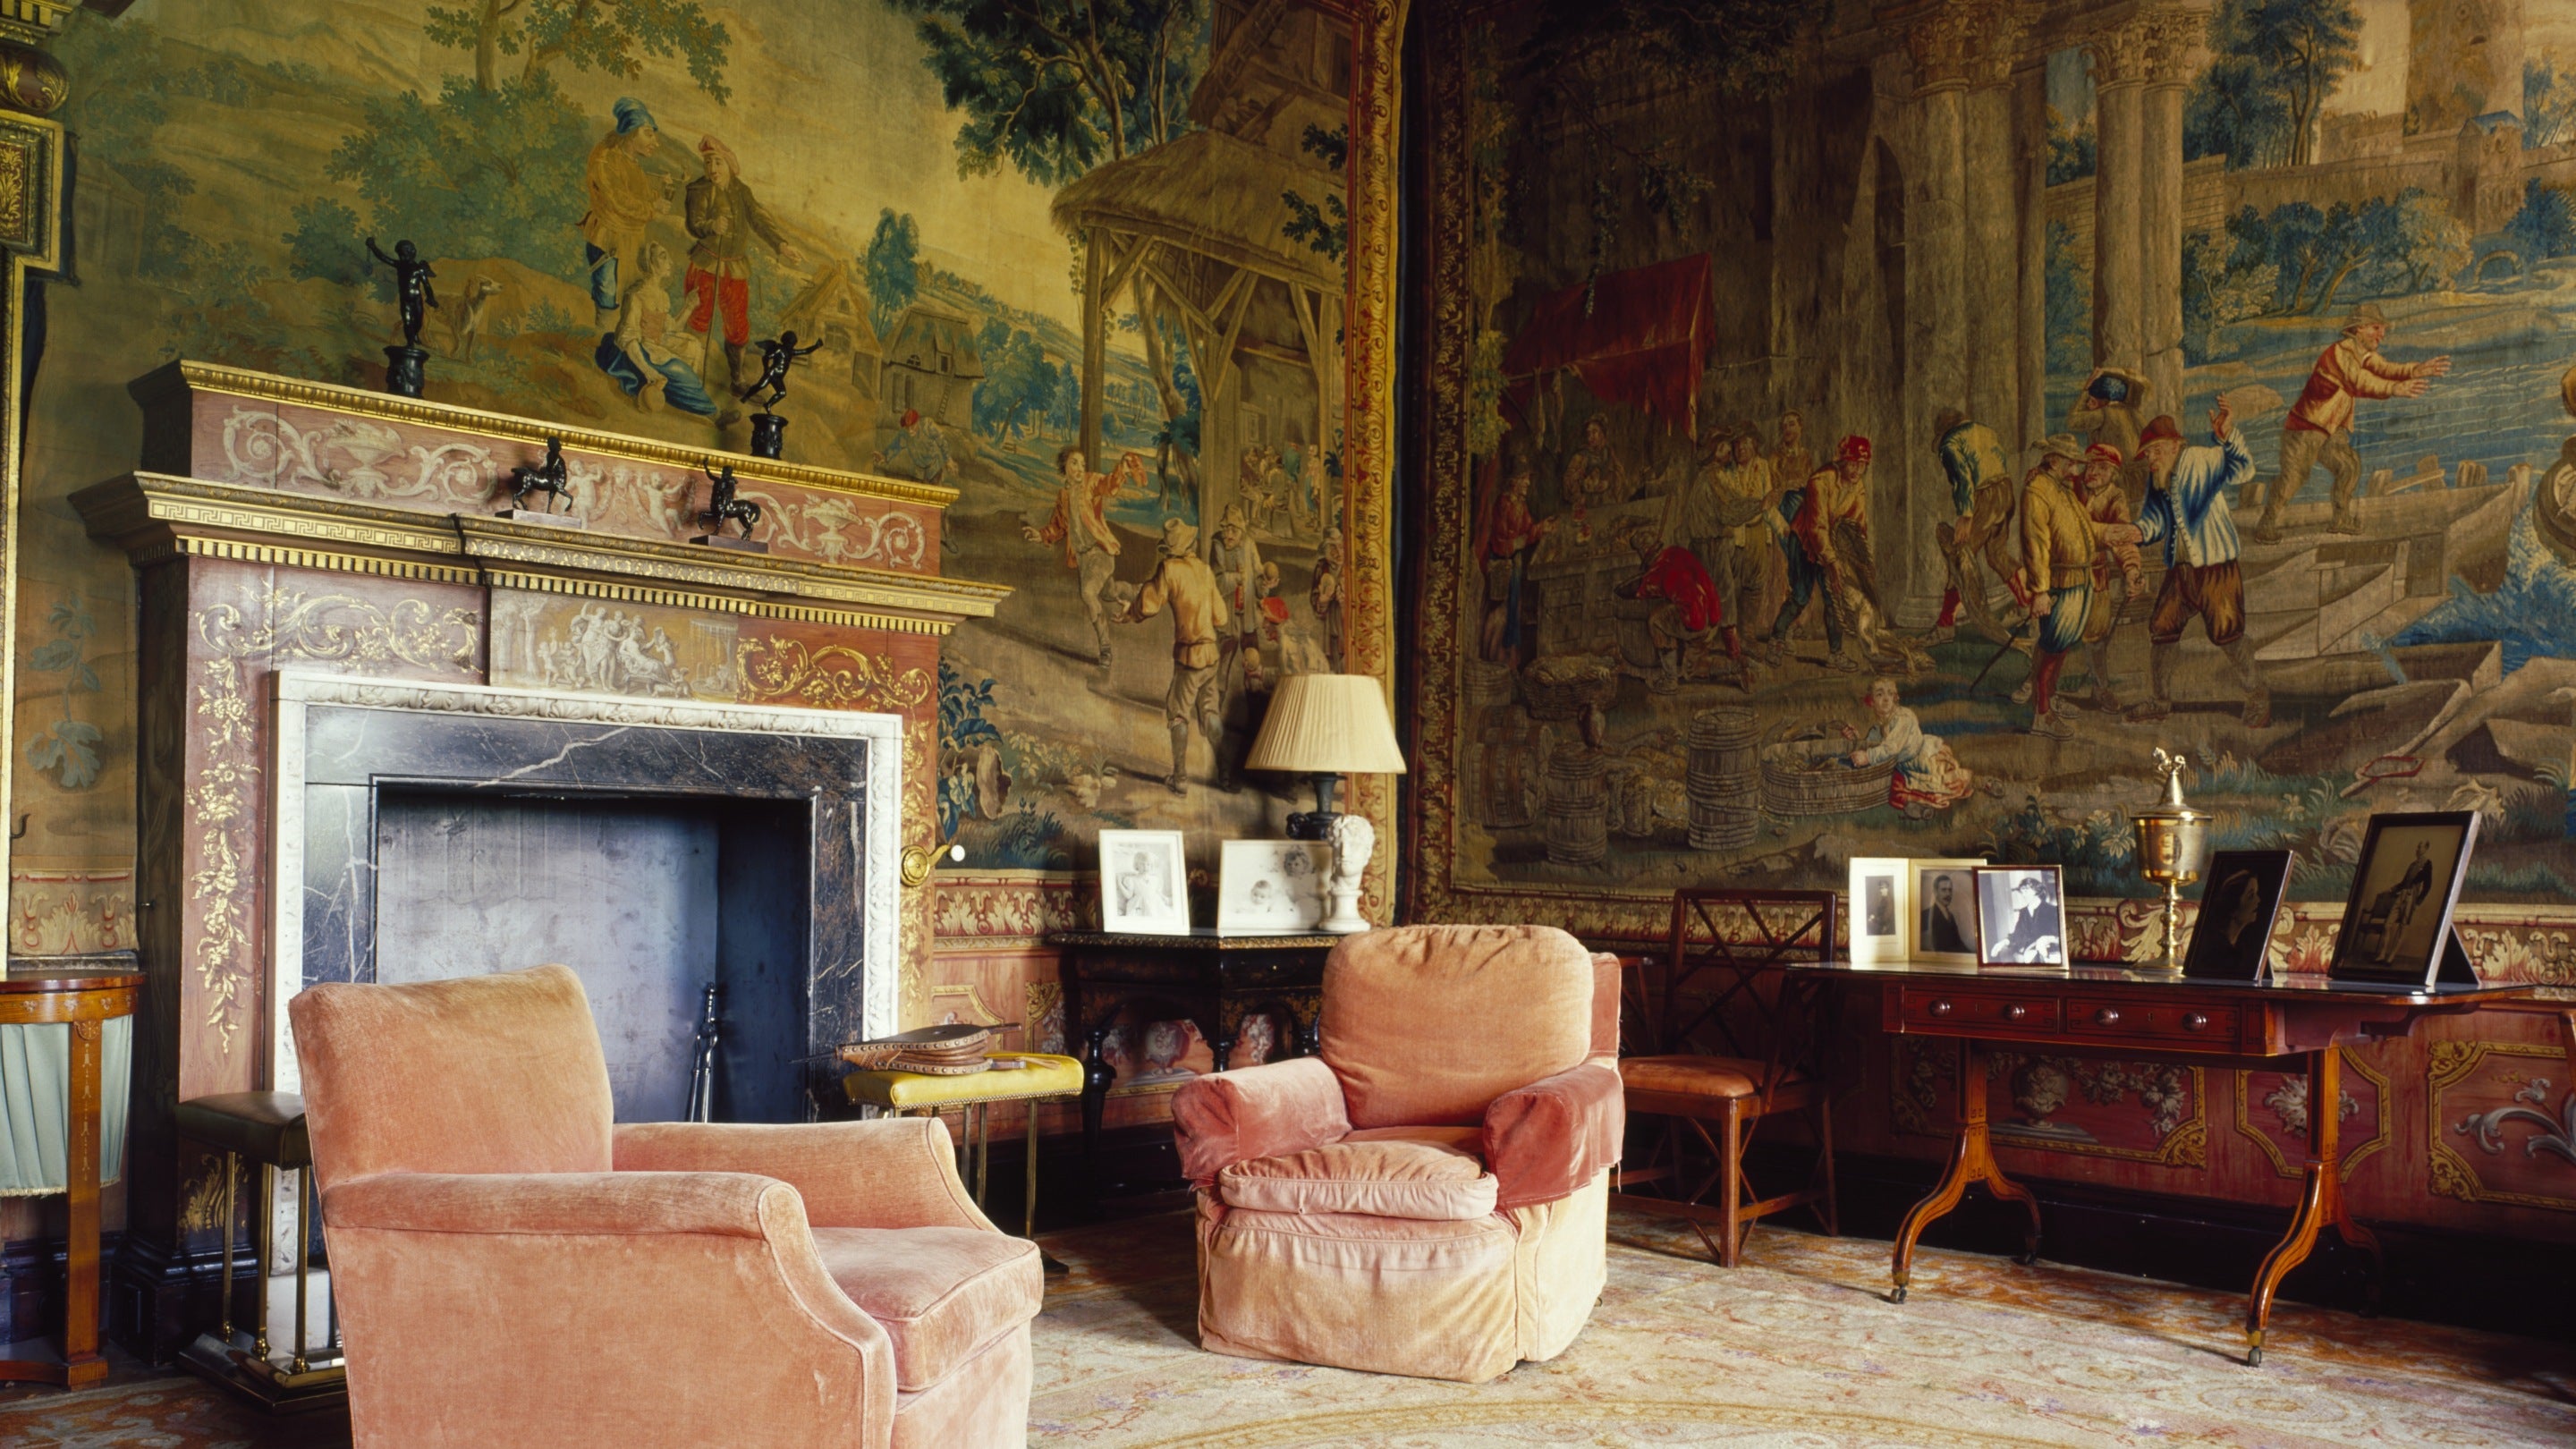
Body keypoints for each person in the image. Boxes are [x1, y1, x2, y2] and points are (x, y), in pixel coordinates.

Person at [2109, 406, 2269, 726]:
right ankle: (2160, 701)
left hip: (2215, 568)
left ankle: (2257, 696)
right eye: (2146, 453)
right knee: (2162, 628)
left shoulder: (2200, 459)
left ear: (2175, 445)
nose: (2151, 459)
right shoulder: (2157, 480)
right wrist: (2136, 532)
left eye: (2155, 450)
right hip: (2181, 570)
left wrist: (2227, 437)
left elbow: (2243, 470)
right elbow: (2155, 521)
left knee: (2228, 634)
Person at [2258, 302, 2451, 541]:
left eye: (2383, 329)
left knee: (2349, 466)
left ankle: (2340, 520)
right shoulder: (2340, 353)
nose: (2382, 334)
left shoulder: (2362, 354)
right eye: (2376, 328)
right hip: (2305, 428)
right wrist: (2395, 388)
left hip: (2331, 429)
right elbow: (2360, 381)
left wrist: (2415, 371)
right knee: (2294, 477)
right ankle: (2266, 525)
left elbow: (2385, 368)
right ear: (2358, 329)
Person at [683, 134, 807, 392]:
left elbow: (759, 219)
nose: (712, 169)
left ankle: (737, 379)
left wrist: (782, 245)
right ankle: (689, 376)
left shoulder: (742, 192)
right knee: (698, 315)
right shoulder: (699, 190)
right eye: (708, 163)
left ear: (729, 164)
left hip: (735, 267)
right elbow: (694, 224)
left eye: (718, 162)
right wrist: (711, 226)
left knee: (738, 324)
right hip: (707, 263)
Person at [1118, 518, 1232, 793]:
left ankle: (1180, 778)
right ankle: (1226, 776)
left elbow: (1149, 603)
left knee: (1178, 714)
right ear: (1191, 544)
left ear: (1170, 549)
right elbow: (1222, 617)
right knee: (1210, 712)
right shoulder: (1205, 571)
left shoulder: (1169, 570)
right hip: (1211, 656)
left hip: (1189, 657)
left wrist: (1129, 612)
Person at [1767, 435, 1876, 672]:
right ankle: (1776, 639)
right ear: (1842, 462)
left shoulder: (1858, 488)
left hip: (1830, 547)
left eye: (1862, 464)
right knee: (1801, 595)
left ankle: (1835, 654)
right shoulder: (1820, 480)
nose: (1857, 469)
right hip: (1805, 539)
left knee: (1834, 598)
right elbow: (1817, 527)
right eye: (1852, 463)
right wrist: (1833, 563)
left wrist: (1853, 561)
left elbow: (1857, 527)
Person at [2019, 433, 2097, 740]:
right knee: (2052, 647)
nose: (2076, 468)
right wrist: (2039, 590)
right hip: (2060, 582)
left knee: (2061, 644)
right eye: (2070, 462)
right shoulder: (2038, 491)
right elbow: (2035, 542)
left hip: (2079, 579)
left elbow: (2082, 530)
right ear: (2054, 460)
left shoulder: (2062, 488)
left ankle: (2048, 699)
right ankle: (2042, 715)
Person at [1023, 446, 1127, 666]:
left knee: (1089, 594)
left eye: (1082, 463)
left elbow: (1108, 484)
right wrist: (1040, 535)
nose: (1080, 468)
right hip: (1082, 559)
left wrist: (1121, 471)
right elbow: (1057, 527)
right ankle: (1137, 593)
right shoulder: (1063, 496)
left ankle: (1105, 649)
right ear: (1065, 467)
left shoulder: (1091, 482)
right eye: (1074, 463)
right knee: (1110, 593)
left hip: (1100, 552)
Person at [596, 241, 719, 416]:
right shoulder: (636, 295)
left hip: (659, 346)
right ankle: (710, 412)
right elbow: (628, 338)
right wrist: (648, 371)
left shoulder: (662, 296)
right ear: (651, 264)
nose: (670, 262)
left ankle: (695, 396)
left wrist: (689, 307)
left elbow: (671, 328)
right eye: (663, 257)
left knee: (693, 347)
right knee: (682, 372)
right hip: (643, 350)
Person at [580, 98, 670, 327]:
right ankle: (604, 347)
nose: (655, 142)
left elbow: (638, 190)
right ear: (630, 132)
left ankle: (624, 348)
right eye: (649, 134)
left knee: (631, 297)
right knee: (609, 298)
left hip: (631, 242)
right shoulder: (605, 159)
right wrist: (652, 210)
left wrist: (656, 198)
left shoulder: (630, 160)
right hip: (609, 241)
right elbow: (619, 201)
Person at [1614, 521, 1733, 690]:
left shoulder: (1655, 572)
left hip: (1694, 623)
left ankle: (1669, 679)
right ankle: (1736, 667)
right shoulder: (1678, 552)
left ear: (1646, 557)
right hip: (1712, 618)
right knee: (1691, 670)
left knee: (1656, 620)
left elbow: (1640, 595)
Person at [2072, 442, 2146, 714]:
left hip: (2095, 576)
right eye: (2090, 465)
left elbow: (2123, 537)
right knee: (2053, 633)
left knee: (2096, 637)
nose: (2093, 472)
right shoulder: (2073, 487)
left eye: (2102, 468)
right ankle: (2039, 687)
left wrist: (2131, 570)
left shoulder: (2115, 498)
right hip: (2063, 574)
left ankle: (2100, 689)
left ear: (2113, 473)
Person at [1839, 676, 1974, 814]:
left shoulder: (1904, 717)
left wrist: (1867, 756)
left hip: (1923, 760)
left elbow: (1891, 747)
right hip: (1905, 766)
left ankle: (1977, 783)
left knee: (1942, 782)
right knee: (1895, 791)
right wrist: (1856, 739)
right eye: (1879, 694)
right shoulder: (1878, 728)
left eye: (1890, 694)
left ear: (1895, 698)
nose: (1886, 699)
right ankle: (1918, 806)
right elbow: (1872, 746)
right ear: (1871, 701)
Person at [1933, 409, 2011, 640]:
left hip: (1983, 498)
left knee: (1959, 556)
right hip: (2005, 492)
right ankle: (2029, 606)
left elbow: (1962, 478)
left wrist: (1966, 516)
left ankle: (1945, 625)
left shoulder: (1949, 443)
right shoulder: (1986, 431)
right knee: (1998, 555)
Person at [1479, 461, 1555, 663]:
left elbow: (1529, 531)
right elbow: (1499, 541)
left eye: (1528, 480)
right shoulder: (1504, 504)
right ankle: (1497, 663)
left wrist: (1542, 528)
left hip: (1514, 565)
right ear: (1514, 482)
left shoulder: (1521, 504)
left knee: (1514, 611)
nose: (1528, 484)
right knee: (1501, 615)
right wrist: (1518, 543)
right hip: (1503, 567)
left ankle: (1510, 665)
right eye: (1524, 479)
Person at [1208, 504, 1265, 686]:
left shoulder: (1249, 544)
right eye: (1225, 529)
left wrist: (1263, 584)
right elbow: (1216, 581)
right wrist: (1236, 579)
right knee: (1222, 668)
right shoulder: (1217, 544)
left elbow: (1258, 576)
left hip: (1247, 618)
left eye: (1232, 530)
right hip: (1228, 618)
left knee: (1254, 666)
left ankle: (1255, 707)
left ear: (1241, 530)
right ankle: (1216, 710)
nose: (1227, 535)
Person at [2068, 367, 2152, 475]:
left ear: (2105, 402)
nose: (2088, 405)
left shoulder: (2104, 413)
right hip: (2142, 476)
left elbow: (2072, 421)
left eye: (2092, 401)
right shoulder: (2135, 414)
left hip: (2119, 477)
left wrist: (2085, 390)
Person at [2370, 842, 2437, 963]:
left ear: (2426, 848)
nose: (2417, 849)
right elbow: (2403, 883)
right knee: (2387, 925)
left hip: (2411, 898)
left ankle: (2391, 957)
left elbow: (2428, 885)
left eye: (2419, 847)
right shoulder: (2412, 864)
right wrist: (2390, 890)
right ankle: (2382, 954)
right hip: (2400, 896)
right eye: (2417, 846)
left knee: (2403, 927)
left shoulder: (2427, 864)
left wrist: (2418, 902)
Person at [1561, 415, 1628, 509]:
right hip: (1587, 504)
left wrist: (1608, 483)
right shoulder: (1581, 456)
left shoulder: (1608, 452)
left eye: (1594, 432)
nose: (1590, 437)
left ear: (1602, 434)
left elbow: (1620, 474)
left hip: (1607, 503)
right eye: (1588, 434)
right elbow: (1568, 480)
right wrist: (1579, 495)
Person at [874, 408, 956, 484]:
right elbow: (895, 447)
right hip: (919, 471)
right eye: (907, 428)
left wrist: (948, 459)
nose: (910, 431)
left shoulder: (927, 425)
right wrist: (884, 456)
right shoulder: (904, 434)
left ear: (917, 422)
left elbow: (941, 440)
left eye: (912, 426)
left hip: (934, 468)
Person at [1996, 875, 2063, 963]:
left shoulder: (2052, 910)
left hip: (2051, 955)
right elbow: (2018, 934)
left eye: (2026, 890)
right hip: (2031, 957)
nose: (2024, 895)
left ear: (2036, 891)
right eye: (2022, 891)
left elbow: (2060, 935)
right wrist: (2005, 942)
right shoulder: (2024, 912)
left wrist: (2048, 939)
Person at [1919, 872, 1971, 953]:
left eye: (1950, 890)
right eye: (1944, 890)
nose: (1948, 894)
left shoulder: (1951, 916)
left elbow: (1958, 943)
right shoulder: (1925, 915)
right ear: (1935, 892)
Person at [1117, 851, 1168, 917]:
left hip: (1154, 904)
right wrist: (1119, 884)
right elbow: (1129, 896)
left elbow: (1157, 892)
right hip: (1139, 904)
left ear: (1151, 866)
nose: (1146, 867)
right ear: (1136, 865)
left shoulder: (1155, 879)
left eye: (1148, 864)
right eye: (1142, 864)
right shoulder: (1132, 879)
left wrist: (1163, 897)